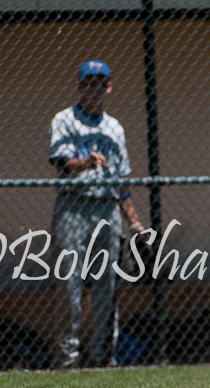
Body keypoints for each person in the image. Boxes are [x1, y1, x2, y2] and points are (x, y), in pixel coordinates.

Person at [49, 60, 145, 368]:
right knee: (69, 285)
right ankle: (67, 359)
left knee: (108, 287)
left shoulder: (114, 128)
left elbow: (121, 182)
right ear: (80, 86)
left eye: (100, 82)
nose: (95, 88)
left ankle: (103, 357)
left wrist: (135, 222)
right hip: (73, 206)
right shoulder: (65, 120)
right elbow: (61, 162)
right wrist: (85, 163)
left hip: (107, 207)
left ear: (109, 87)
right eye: (88, 82)